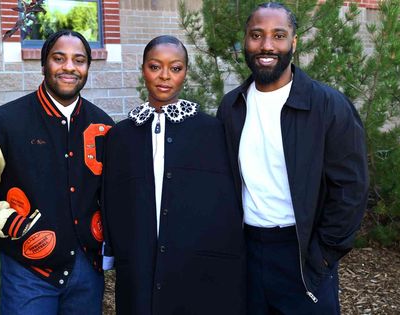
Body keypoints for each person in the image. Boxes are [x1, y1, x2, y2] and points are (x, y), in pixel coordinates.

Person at [217, 2, 369, 314]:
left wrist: (324, 254)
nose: (267, 46)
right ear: (245, 40)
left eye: (278, 35)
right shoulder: (231, 107)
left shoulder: (328, 106)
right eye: (256, 35)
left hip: (303, 256)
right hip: (246, 252)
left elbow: (351, 188)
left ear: (294, 43)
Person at [0, 30, 114, 315]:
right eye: (58, 58)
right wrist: (20, 226)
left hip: (87, 271)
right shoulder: (1, 124)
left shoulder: (104, 126)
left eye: (79, 60)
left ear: (88, 67)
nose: (69, 67)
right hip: (28, 272)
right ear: (43, 64)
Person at [102, 35, 244, 315]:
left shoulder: (211, 132)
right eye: (155, 67)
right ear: (143, 69)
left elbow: (224, 205)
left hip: (194, 267)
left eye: (175, 68)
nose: (165, 76)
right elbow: (112, 202)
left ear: (185, 73)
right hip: (139, 266)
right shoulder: (120, 136)